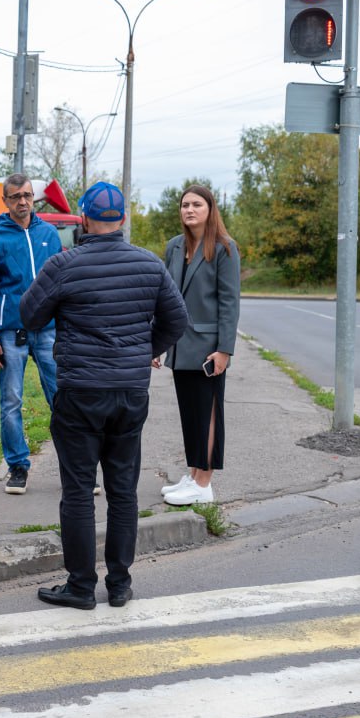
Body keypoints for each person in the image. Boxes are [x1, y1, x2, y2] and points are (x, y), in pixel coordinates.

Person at [21, 182, 187, 609]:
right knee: (123, 490)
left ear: (84, 219)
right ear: (123, 219)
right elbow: (177, 321)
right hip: (130, 393)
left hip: (80, 391)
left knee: (77, 491)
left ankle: (80, 586)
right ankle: (119, 584)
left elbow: (30, 314)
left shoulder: (64, 264)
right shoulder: (150, 265)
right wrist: (142, 351)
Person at [154, 184, 241, 506]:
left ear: (210, 209)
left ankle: (204, 483)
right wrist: (155, 343)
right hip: (179, 346)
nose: (189, 210)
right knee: (190, 415)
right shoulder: (174, 247)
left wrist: (225, 350)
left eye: (197, 205)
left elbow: (230, 303)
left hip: (208, 350)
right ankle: (193, 475)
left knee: (208, 415)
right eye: (185, 204)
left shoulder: (224, 248)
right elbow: (165, 299)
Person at [0, 172, 60, 495]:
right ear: (5, 201)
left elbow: (61, 284)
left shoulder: (49, 235)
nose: (22, 201)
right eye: (15, 197)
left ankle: (76, 467)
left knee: (63, 399)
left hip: (50, 332)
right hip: (11, 334)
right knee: (11, 401)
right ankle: (18, 467)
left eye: (26, 195)